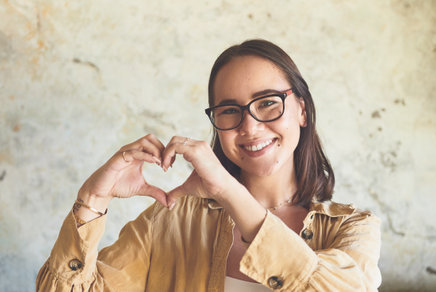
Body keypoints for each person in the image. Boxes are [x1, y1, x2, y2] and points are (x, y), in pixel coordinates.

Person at [36, 39, 381, 292]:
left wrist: (228, 190)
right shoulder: (169, 219)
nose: (250, 127)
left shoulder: (353, 229)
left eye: (267, 103)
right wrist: (92, 201)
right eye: (230, 110)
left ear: (302, 110)